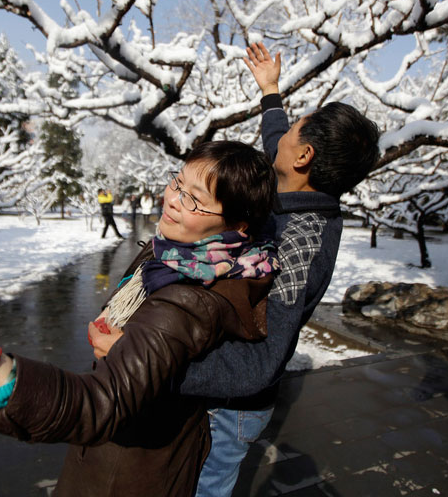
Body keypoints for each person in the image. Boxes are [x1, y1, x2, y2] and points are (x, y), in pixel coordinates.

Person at [0, 140, 280, 497]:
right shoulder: (177, 252)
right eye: (177, 183)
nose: (174, 201)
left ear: (238, 225)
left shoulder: (188, 297)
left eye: (195, 200)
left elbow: (100, 404)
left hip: (130, 470)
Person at [90, 43, 381, 496]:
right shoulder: (290, 182)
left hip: (227, 408)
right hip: (213, 389)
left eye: (295, 129)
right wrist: (270, 93)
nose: (282, 135)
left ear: (302, 158)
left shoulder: (301, 243)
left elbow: (261, 362)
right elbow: (275, 138)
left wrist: (145, 362)